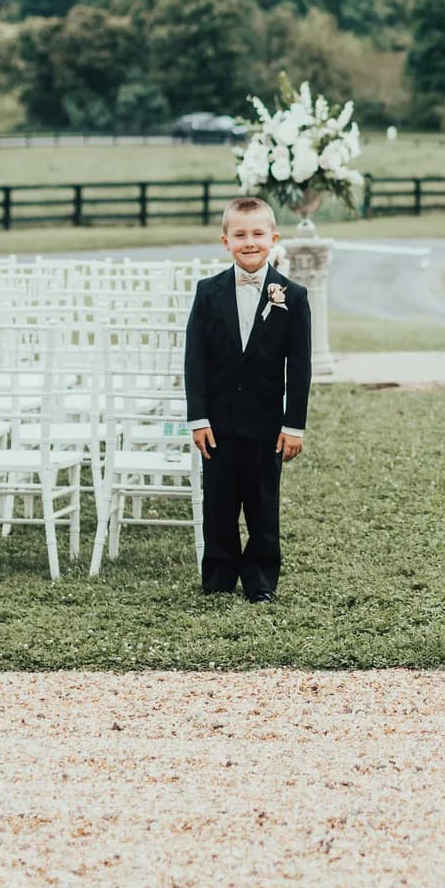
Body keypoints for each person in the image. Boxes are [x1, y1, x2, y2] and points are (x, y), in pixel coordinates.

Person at [185, 197, 311, 602]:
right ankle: (219, 576)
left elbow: (301, 367)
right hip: (218, 423)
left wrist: (294, 426)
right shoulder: (208, 293)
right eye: (240, 235)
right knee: (218, 501)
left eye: (258, 234)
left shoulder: (293, 296)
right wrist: (198, 418)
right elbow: (195, 360)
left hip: (267, 423)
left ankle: (260, 579)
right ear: (225, 241)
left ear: (274, 239)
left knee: (262, 501)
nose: (249, 242)